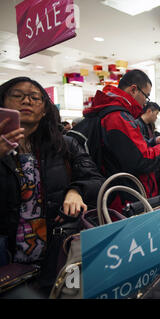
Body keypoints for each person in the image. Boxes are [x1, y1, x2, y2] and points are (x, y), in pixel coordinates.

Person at [0, 77, 105, 295]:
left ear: (45, 109)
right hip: (7, 263)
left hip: (56, 256)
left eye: (34, 97)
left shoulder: (65, 145)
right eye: (18, 96)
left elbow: (96, 180)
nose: (26, 101)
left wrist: (76, 191)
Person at [82, 69, 160, 212]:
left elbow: (123, 151)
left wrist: (152, 143)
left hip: (117, 196)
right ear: (134, 90)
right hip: (125, 200)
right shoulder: (118, 117)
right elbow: (141, 160)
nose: (145, 103)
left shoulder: (108, 110)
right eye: (146, 96)